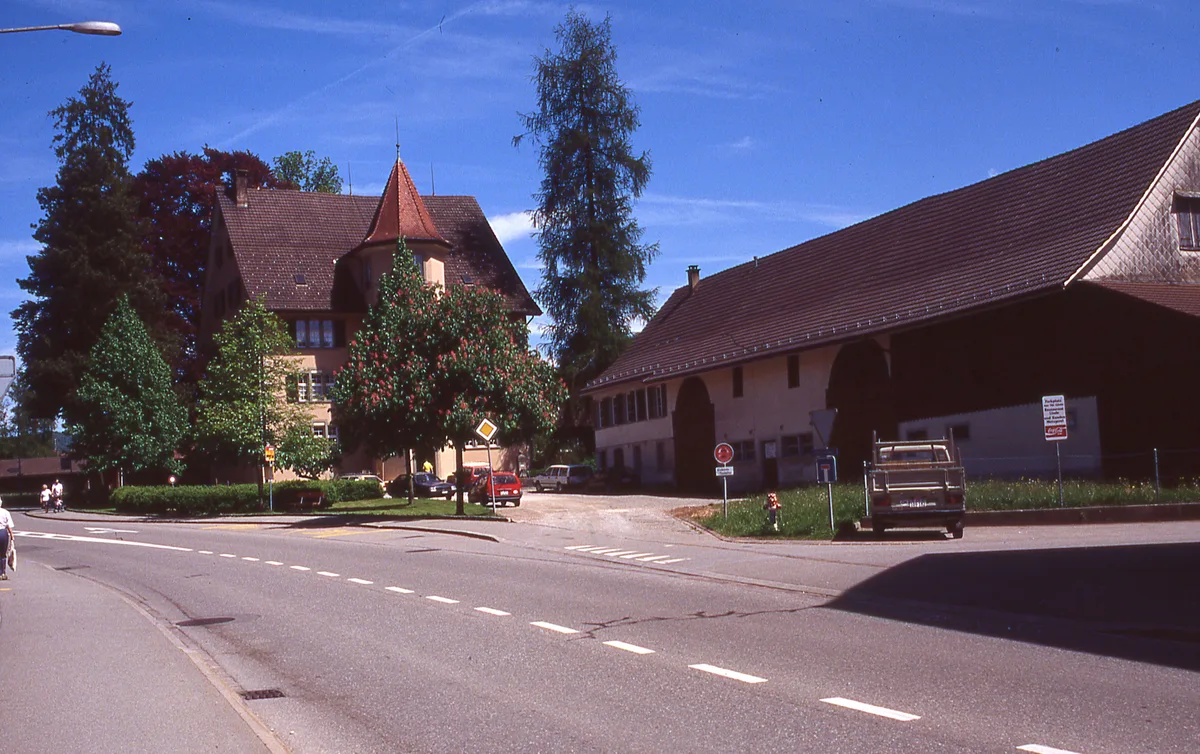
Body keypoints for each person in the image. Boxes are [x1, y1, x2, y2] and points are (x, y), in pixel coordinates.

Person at [0, 497, 13, 580]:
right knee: (3, 553)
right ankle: (2, 573)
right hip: (3, 533)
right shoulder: (5, 512)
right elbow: (9, 525)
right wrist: (12, 535)